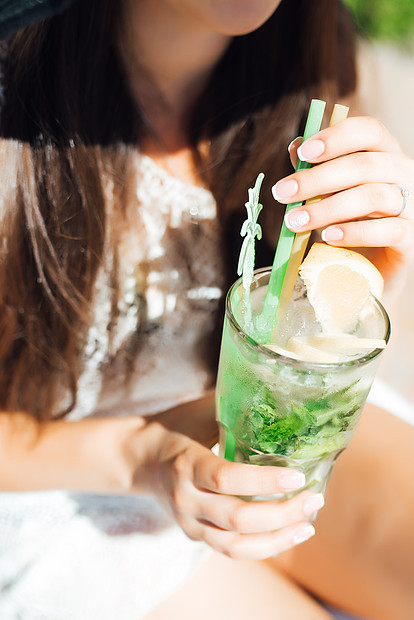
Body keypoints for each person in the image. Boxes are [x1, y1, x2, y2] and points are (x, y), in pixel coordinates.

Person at [0, 0, 413, 618]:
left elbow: (301, 334)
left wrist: (355, 293)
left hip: (242, 409)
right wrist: (137, 458)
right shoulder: (15, 116)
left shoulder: (305, 55)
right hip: (59, 476)